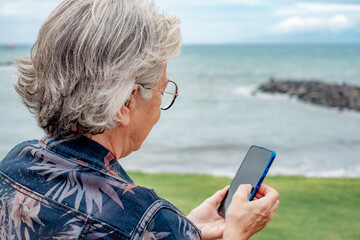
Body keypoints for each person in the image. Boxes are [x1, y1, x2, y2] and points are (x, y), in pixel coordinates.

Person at [0, 0, 279, 239]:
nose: (161, 104)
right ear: (126, 103)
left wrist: (186, 230)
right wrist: (236, 232)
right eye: (163, 90)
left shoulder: (12, 165)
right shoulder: (144, 220)